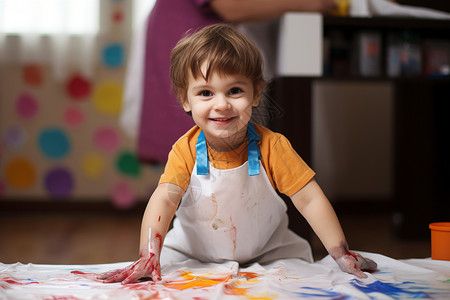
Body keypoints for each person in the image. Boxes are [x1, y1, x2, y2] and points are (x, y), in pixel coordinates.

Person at [99, 23, 377, 284]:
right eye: (206, 93)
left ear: (256, 93)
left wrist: (340, 252)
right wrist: (148, 253)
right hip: (192, 254)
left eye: (234, 90)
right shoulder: (184, 150)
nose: (221, 105)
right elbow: (163, 200)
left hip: (270, 253)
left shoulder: (273, 146)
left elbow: (309, 199)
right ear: (186, 99)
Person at [133, 0, 337, 163]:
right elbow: (229, 6)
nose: (222, 104)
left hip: (206, 42)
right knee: (195, 149)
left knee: (221, 146)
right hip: (197, 41)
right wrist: (301, 3)